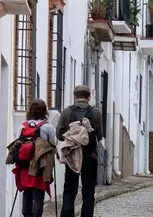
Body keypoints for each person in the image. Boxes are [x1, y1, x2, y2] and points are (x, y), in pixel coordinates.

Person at [56, 85, 104, 217]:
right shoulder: (96, 113)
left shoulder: (66, 112)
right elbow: (100, 136)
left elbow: (59, 134)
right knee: (88, 192)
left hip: (72, 156)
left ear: (74, 96)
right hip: (90, 156)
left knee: (69, 189)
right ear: (89, 97)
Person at [9, 99, 57, 217]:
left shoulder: (22, 126)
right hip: (40, 165)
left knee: (27, 192)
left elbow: (17, 141)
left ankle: (26, 214)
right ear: (44, 111)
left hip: (24, 165)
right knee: (38, 194)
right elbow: (53, 145)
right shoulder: (48, 127)